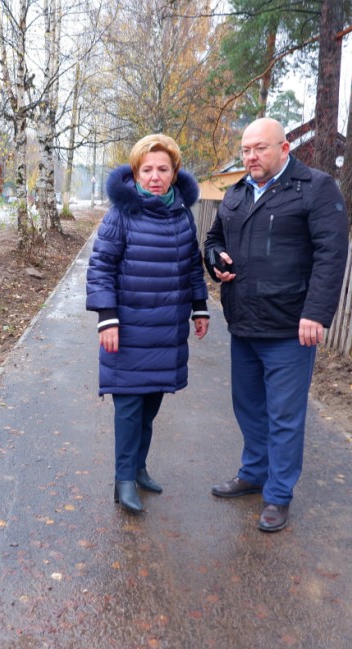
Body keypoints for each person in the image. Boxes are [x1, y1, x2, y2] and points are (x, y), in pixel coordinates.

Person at [204, 117, 349, 532]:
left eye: (260, 148)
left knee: (284, 414)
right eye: (246, 149)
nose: (251, 156)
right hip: (244, 322)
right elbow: (214, 240)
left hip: (289, 327)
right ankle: (254, 473)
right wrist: (214, 261)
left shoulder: (316, 189)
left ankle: (279, 494)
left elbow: (331, 254)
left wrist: (316, 312)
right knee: (247, 406)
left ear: (284, 149)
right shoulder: (236, 193)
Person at [86, 134, 210, 514]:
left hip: (166, 328)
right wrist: (107, 318)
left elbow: (192, 263)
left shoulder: (181, 213)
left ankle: (138, 469)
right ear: (136, 173)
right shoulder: (122, 213)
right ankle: (122, 480)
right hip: (127, 329)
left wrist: (200, 307)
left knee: (150, 405)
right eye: (147, 169)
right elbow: (101, 266)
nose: (155, 176)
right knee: (128, 409)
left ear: (174, 173)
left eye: (163, 169)